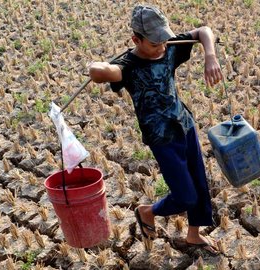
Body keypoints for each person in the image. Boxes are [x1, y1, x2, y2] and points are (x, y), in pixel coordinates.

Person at [88, 4, 223, 255]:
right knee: (185, 196)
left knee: (199, 184)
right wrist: (98, 66)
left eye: (164, 39)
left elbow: (204, 31)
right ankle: (147, 212)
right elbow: (101, 72)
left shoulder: (170, 48)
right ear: (136, 39)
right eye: (154, 43)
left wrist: (210, 56)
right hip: (162, 138)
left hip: (185, 126)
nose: (161, 46)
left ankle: (193, 235)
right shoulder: (128, 66)